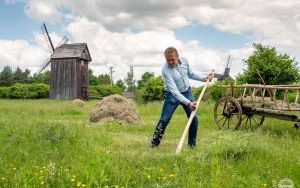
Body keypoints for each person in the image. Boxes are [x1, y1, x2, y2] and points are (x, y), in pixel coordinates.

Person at [150, 47, 213, 148]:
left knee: (193, 118)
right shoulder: (165, 70)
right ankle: (154, 144)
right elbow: (174, 92)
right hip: (172, 95)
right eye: (168, 60)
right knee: (164, 120)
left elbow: (191, 74)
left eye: (172, 59)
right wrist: (189, 103)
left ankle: (192, 146)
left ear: (178, 56)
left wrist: (204, 78)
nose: (170, 62)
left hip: (187, 92)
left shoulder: (184, 61)